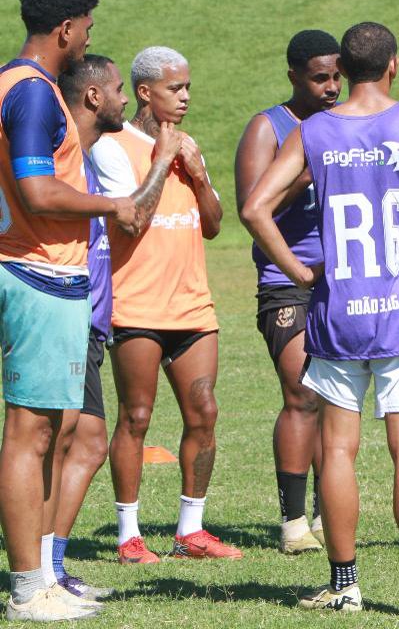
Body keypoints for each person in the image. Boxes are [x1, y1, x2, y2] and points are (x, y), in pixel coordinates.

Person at [242, 21, 399, 615]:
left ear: (343, 70)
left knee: (339, 448)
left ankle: (345, 586)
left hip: (337, 307)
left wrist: (303, 276)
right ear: (394, 65)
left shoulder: (313, 130)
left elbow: (254, 208)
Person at [0, 0, 135, 622]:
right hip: (39, 274)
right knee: (31, 435)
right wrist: (113, 202)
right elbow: (39, 193)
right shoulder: (31, 92)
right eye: (86, 27)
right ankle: (29, 588)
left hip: (25, 269)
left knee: (47, 433)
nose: (88, 39)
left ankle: (43, 578)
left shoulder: (9, 83)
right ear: (65, 31)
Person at [91, 46, 239, 563]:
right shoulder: (112, 146)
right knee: (136, 417)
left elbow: (216, 225)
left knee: (204, 412)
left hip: (193, 308)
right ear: (144, 92)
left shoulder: (188, 144)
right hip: (137, 308)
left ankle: (190, 531)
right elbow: (131, 219)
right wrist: (161, 160)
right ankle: (128, 536)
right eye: (176, 88)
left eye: (188, 87)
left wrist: (196, 173)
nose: (186, 97)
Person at [53, 54, 183, 600]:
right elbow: (130, 215)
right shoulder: (79, 161)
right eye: (118, 91)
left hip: (89, 322)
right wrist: (164, 159)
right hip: (66, 313)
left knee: (80, 444)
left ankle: (49, 566)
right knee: (65, 443)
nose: (126, 100)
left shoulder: (81, 157)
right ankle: (42, 570)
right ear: (92, 98)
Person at [235, 29, 342, 554]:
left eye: (337, 76)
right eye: (320, 77)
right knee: (301, 392)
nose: (331, 87)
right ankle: (293, 523)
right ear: (294, 76)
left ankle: (328, 513)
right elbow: (254, 210)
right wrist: (300, 176)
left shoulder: (344, 124)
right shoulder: (268, 127)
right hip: (287, 283)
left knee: (333, 397)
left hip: (343, 281)